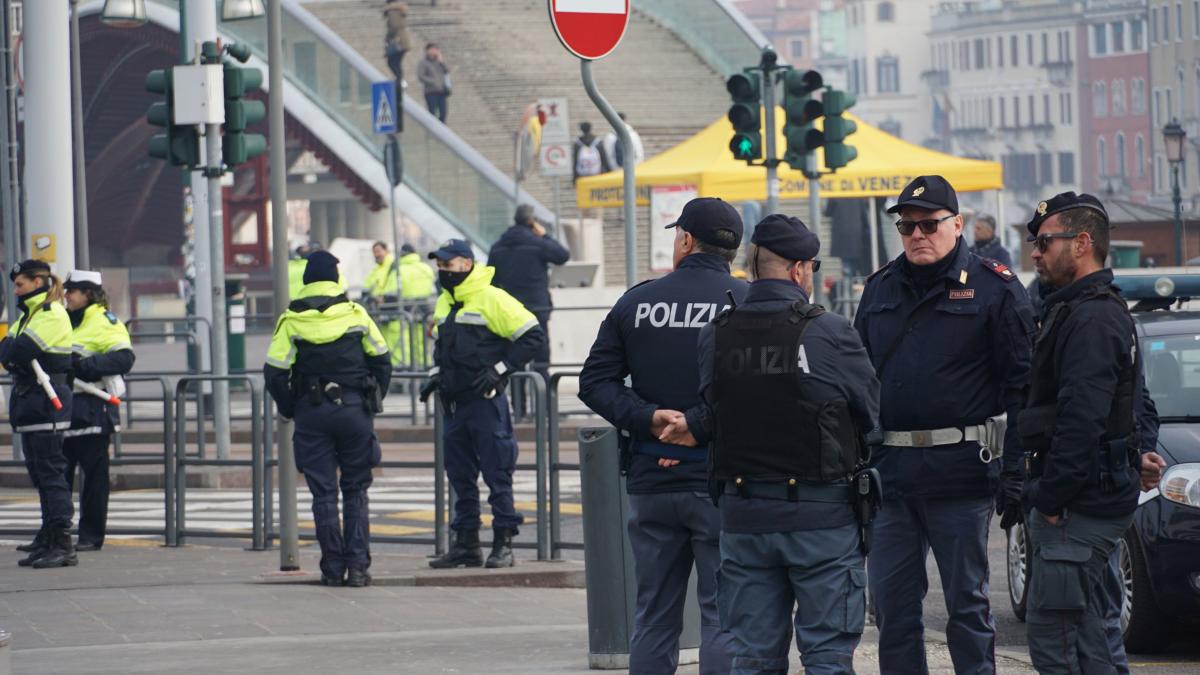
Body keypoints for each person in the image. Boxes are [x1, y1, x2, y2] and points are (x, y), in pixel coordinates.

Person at [852, 175, 1034, 674]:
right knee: (892, 611)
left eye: (929, 224)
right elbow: (857, 382)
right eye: (907, 226)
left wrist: (1016, 468)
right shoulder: (880, 288)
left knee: (968, 611)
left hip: (961, 475)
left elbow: (1023, 388)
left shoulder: (996, 289)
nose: (917, 235)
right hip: (891, 476)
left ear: (957, 224)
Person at [696, 214, 880, 674]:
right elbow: (872, 414)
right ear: (800, 269)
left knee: (753, 659)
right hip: (822, 521)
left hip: (743, 520)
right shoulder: (831, 332)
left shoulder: (715, 334)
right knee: (827, 659)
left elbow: (711, 410)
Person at [579, 197, 748, 675]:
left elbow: (594, 382)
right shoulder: (746, 302)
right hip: (721, 480)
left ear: (687, 240)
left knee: (653, 617)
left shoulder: (638, 301)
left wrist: (648, 418)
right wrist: (696, 426)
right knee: (722, 616)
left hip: (652, 478)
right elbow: (759, 391)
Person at [1019, 192, 1166, 673]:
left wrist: (1052, 498)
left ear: (1081, 243)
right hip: (1088, 499)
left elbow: (1081, 417)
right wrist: (1140, 450)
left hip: (1078, 506)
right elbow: (1134, 399)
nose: (1035, 253)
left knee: (1059, 641)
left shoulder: (1092, 314)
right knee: (1093, 630)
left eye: (1043, 242)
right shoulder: (1084, 308)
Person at [264, 251, 392, 587]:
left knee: (323, 495)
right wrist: (373, 399)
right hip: (354, 411)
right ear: (335, 280)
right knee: (356, 490)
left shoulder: (290, 319)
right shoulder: (356, 314)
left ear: (306, 281)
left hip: (312, 412)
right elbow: (382, 360)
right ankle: (359, 568)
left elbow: (274, 372)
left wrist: (291, 406)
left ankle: (332, 568)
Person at [419, 239, 546, 569]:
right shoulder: (445, 303)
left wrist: (499, 370)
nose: (442, 271)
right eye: (440, 265)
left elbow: (533, 337)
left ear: (465, 264)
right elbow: (440, 347)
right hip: (454, 404)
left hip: (485, 403)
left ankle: (503, 544)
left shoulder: (492, 298)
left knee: (497, 473)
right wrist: (435, 375)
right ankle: (467, 545)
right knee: (460, 477)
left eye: (447, 265)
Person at [2, 260, 76, 568]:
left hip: (47, 401)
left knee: (50, 474)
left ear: (36, 282)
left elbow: (15, 352)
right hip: (31, 400)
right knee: (40, 474)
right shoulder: (28, 315)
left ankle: (62, 543)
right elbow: (7, 352)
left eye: (20, 284)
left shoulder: (50, 313)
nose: (16, 290)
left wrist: (11, 352)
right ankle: (48, 537)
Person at [61, 270, 135, 552]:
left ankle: (91, 536)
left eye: (73, 290)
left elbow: (124, 358)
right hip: (64, 410)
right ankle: (58, 534)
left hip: (92, 410)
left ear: (88, 294)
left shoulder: (105, 321)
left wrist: (82, 366)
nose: (67, 295)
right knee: (59, 477)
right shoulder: (65, 320)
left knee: (93, 479)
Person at [488, 204, 570, 416]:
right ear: (531, 222)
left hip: (509, 314)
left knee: (513, 362)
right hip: (537, 311)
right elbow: (562, 256)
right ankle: (544, 411)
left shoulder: (498, 247)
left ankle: (519, 411)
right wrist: (545, 236)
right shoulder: (538, 243)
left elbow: (492, 281)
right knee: (541, 363)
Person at [364, 241, 405, 367]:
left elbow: (393, 289)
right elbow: (367, 287)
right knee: (386, 342)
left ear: (386, 250)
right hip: (381, 311)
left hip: (391, 310)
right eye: (374, 252)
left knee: (395, 343)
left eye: (378, 251)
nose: (376, 255)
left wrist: (381, 299)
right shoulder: (376, 269)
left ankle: (398, 370)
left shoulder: (393, 266)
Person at [397, 243, 437, 367]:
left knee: (407, 340)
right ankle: (425, 367)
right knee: (422, 341)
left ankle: (410, 369)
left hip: (406, 308)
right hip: (425, 308)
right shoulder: (426, 268)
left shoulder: (399, 270)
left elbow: (393, 290)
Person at [417, 43, 450, 123]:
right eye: (432, 49)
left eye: (435, 49)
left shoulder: (439, 61)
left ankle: (442, 131)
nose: (434, 51)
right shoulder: (423, 63)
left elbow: (447, 71)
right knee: (432, 113)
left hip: (441, 91)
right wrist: (432, 81)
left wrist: (441, 62)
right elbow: (421, 76)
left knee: (443, 113)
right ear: (427, 51)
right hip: (431, 92)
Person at [383, 1, 411, 90]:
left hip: (397, 41)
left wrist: (388, 36)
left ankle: (399, 82)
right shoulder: (399, 9)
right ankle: (399, 81)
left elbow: (394, 26)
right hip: (403, 41)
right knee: (397, 63)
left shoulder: (392, 10)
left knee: (391, 62)